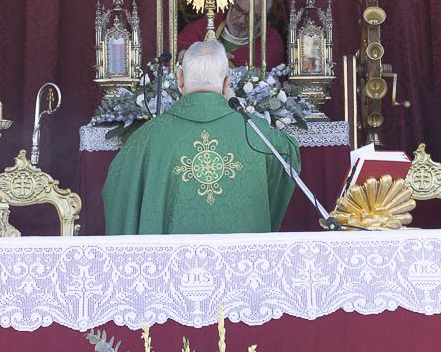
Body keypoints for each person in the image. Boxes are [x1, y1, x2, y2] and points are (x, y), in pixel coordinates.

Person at [103, 40, 298, 234]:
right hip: (242, 263)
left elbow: (118, 188)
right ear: (226, 82)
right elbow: (288, 157)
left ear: (180, 78)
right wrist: (237, 105)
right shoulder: (256, 133)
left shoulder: (146, 138)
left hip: (170, 263)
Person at [176, 0, 286, 67]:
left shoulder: (270, 44)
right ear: (231, 3)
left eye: (251, 17)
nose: (242, 20)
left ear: (262, 18)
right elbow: (178, 51)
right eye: (238, 9)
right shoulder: (205, 26)